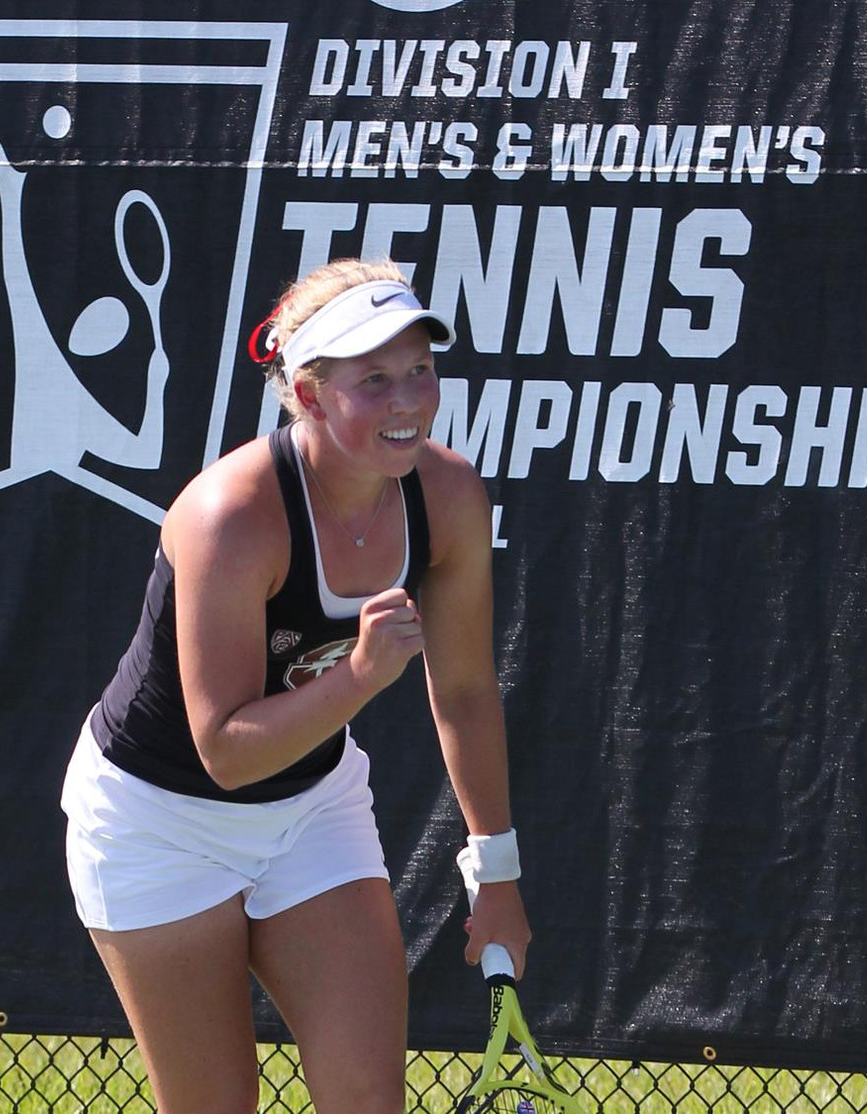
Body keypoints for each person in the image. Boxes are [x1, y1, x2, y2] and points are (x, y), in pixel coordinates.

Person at [60, 258, 532, 1113]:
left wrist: (496, 873)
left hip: (313, 809)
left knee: (367, 1101)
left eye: (421, 371)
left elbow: (462, 689)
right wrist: (358, 674)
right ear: (308, 396)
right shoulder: (230, 517)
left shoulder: (450, 492)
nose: (407, 402)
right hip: (155, 823)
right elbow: (226, 753)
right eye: (374, 380)